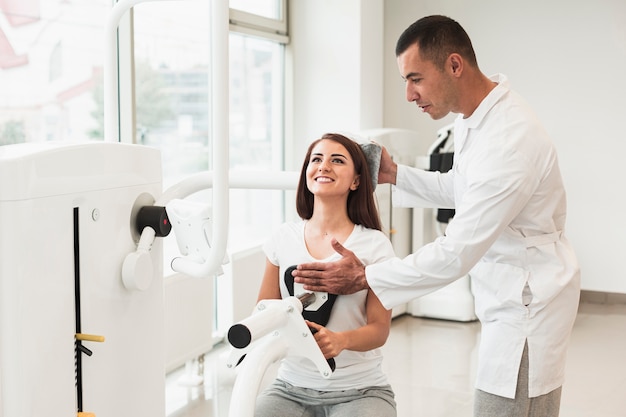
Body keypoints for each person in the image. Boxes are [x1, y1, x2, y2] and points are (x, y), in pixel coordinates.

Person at [292, 15, 580, 417]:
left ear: (454, 65)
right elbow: (463, 188)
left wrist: (365, 276)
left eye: (416, 79)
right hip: (506, 291)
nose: (409, 95)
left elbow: (455, 254)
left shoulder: (508, 141)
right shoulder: (473, 117)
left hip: (527, 304)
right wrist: (396, 175)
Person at [254, 133, 397, 417]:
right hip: (290, 387)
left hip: (360, 389)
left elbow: (380, 329)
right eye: (316, 159)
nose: (323, 166)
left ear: (356, 181)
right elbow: (264, 312)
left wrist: (341, 341)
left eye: (337, 160)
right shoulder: (283, 238)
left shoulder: (374, 245)